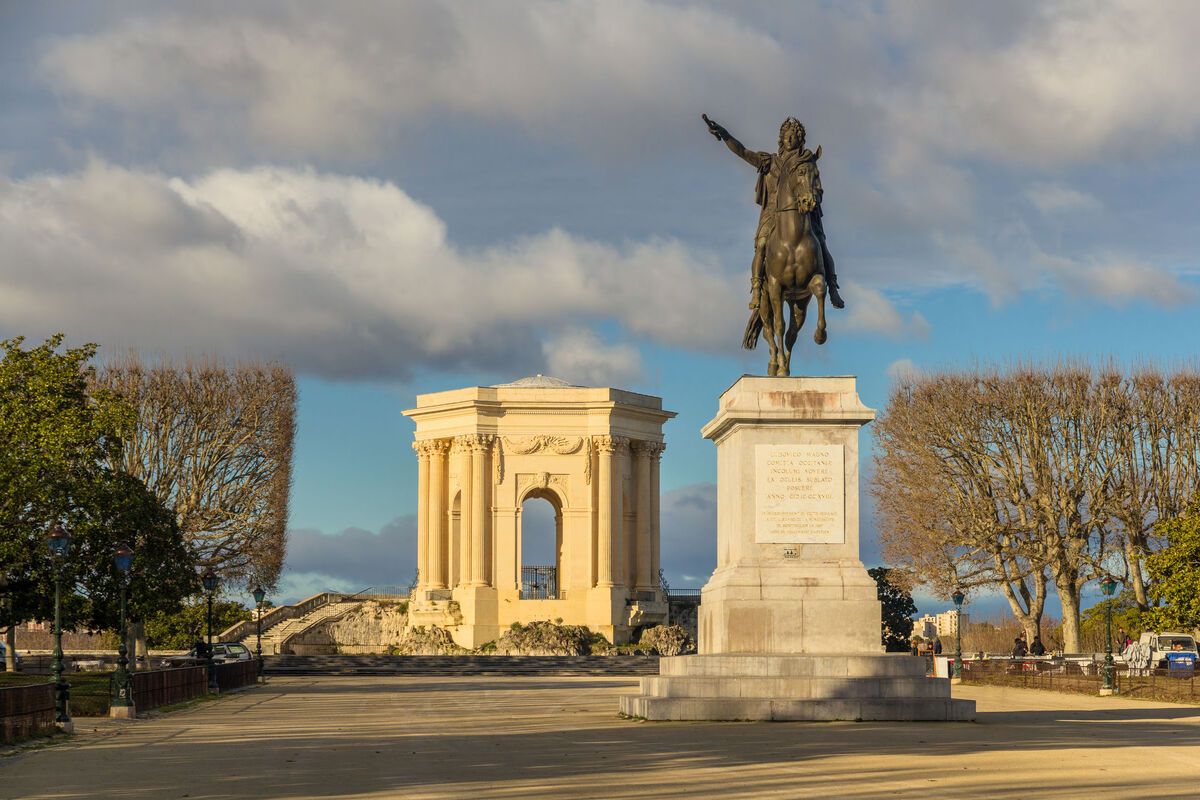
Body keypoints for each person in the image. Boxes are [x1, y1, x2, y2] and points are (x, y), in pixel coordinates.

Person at [703, 114, 846, 312]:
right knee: (762, 245)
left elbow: (814, 185)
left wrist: (812, 200)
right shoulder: (769, 162)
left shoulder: (806, 161)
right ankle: (756, 289)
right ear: (781, 139)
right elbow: (743, 152)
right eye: (786, 136)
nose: (789, 139)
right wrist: (725, 135)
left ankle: (832, 289)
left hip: (804, 212)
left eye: (793, 136)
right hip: (773, 213)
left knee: (821, 243)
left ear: (800, 140)